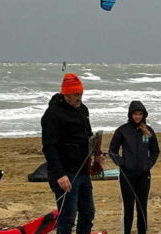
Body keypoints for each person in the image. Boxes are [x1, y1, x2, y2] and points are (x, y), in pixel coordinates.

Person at [41, 73, 95, 234]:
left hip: (83, 171)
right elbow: (49, 147)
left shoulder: (83, 109)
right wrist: (60, 175)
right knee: (67, 217)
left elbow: (88, 135)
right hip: (64, 175)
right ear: (66, 94)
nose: (80, 98)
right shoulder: (52, 114)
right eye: (76, 95)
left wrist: (95, 154)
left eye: (81, 94)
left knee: (88, 213)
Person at [109, 101, 160, 234]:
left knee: (142, 208)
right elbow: (112, 151)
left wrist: (147, 165)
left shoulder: (148, 131)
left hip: (144, 175)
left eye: (140, 114)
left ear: (143, 115)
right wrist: (122, 163)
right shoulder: (122, 130)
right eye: (135, 114)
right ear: (130, 115)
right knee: (128, 209)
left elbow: (155, 151)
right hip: (127, 176)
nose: (137, 117)